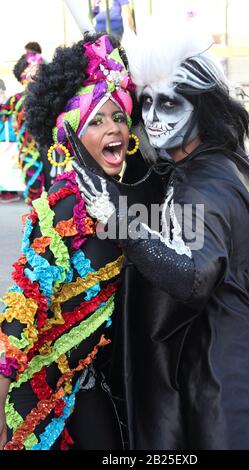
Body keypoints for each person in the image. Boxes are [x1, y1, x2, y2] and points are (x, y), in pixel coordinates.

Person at [73, 22, 249, 450]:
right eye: (146, 104)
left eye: (170, 104)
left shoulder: (204, 185)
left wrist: (116, 218)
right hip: (213, 363)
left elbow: (193, 277)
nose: (153, 118)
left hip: (221, 379)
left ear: (201, 108)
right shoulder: (202, 164)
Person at [0, 32, 140, 450]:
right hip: (38, 391)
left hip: (85, 378)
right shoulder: (65, 204)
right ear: (72, 135)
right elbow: (22, 307)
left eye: (118, 116)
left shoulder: (121, 190)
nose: (113, 128)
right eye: (95, 121)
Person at [0, 49, 45, 205]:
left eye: (39, 66)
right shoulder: (16, 99)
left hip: (50, 150)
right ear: (23, 73)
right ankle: (35, 223)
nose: (36, 70)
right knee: (34, 190)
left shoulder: (48, 95)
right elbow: (2, 114)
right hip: (28, 152)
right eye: (32, 66)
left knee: (54, 189)